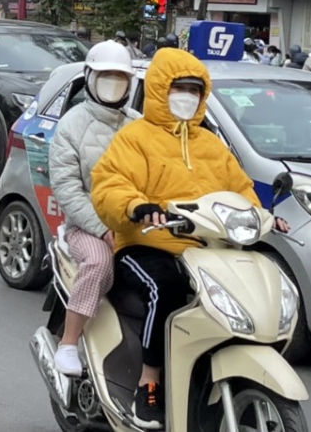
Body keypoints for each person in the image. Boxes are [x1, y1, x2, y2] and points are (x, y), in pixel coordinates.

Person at [90, 49, 288, 430]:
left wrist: (263, 216)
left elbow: (240, 189)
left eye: (194, 90)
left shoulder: (212, 144)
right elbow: (109, 185)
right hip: (147, 244)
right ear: (161, 89)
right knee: (164, 288)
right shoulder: (134, 138)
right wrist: (136, 207)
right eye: (178, 88)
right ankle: (149, 382)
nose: (186, 96)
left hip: (207, 249)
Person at [48, 41, 135, 377]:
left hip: (135, 223)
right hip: (87, 227)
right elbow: (68, 189)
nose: (114, 84)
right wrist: (103, 228)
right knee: (99, 262)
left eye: (120, 78)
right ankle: (69, 342)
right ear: (90, 78)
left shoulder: (138, 124)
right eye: (106, 76)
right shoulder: (72, 125)